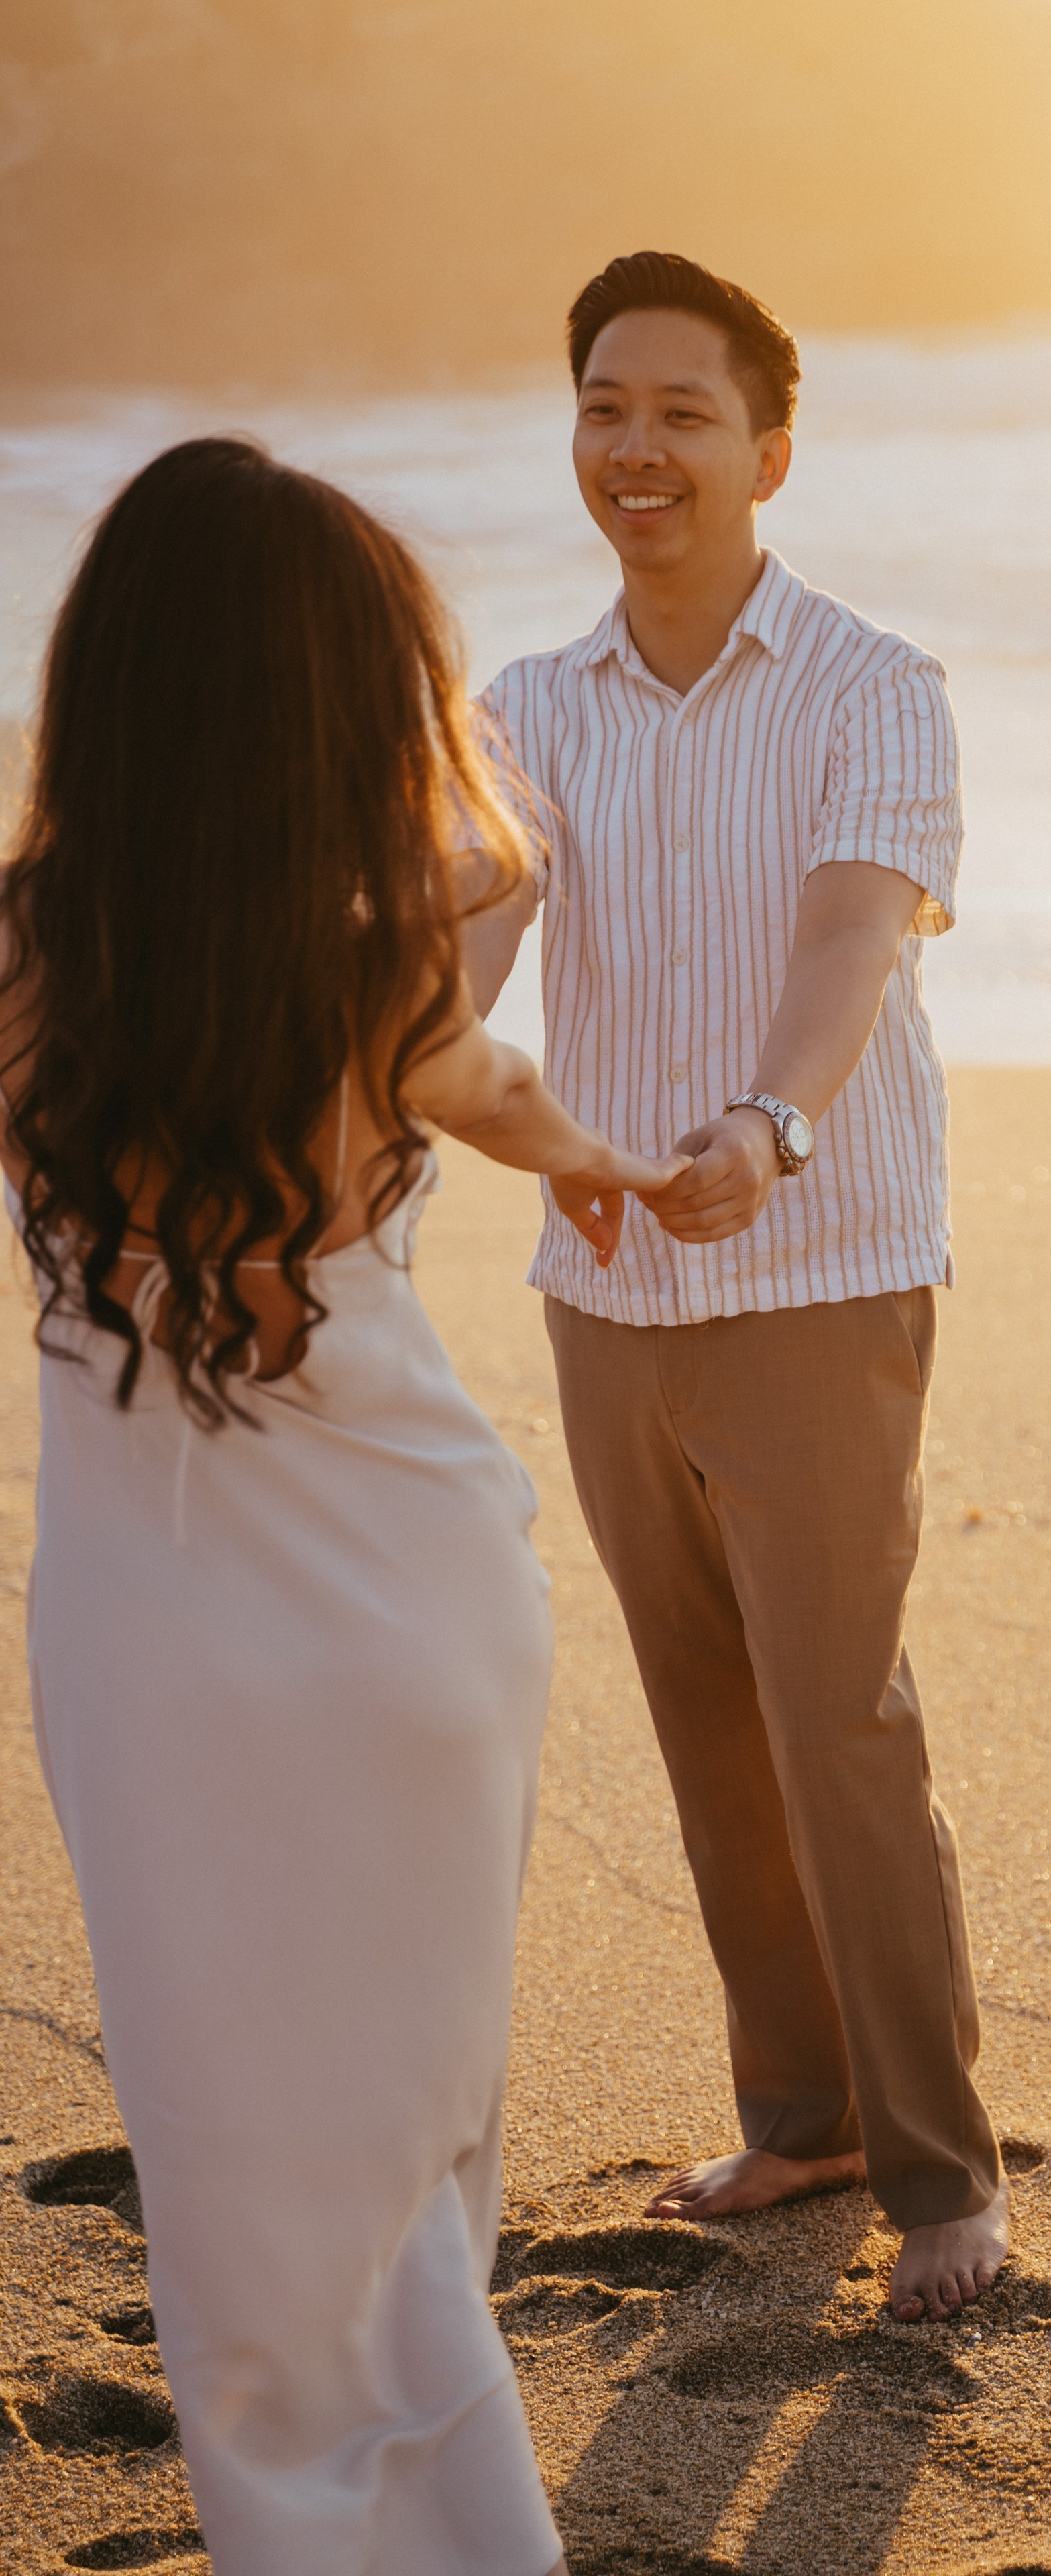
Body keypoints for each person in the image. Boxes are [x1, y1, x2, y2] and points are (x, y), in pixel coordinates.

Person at [0, 436, 682, 2576]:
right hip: (420, 1609)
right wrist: (592, 1157)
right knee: (406, 2166)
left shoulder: (29, 966)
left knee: (244, 2187)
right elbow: (484, 1084)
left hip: (157, 1645)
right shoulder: (407, 940)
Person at [463, 250, 1009, 2325]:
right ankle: (801, 2116)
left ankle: (943, 2166)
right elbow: (462, 973)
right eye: (607, 406)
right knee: (703, 1713)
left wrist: (761, 1136)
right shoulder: (520, 711)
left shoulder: (874, 685)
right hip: (605, 1290)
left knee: (837, 1718)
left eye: (684, 414)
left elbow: (849, 948)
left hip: (823, 1265)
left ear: (770, 451)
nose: (639, 450)